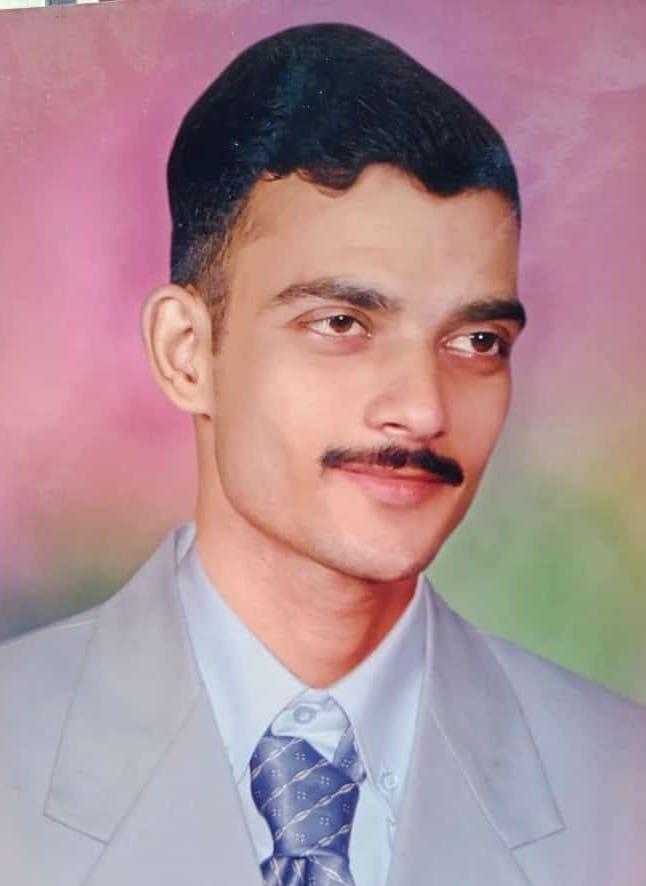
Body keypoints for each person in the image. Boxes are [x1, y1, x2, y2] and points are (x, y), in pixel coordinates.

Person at [2, 22, 645, 886]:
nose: (423, 409)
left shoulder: (623, 788)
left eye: (477, 341)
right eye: (342, 323)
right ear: (187, 352)